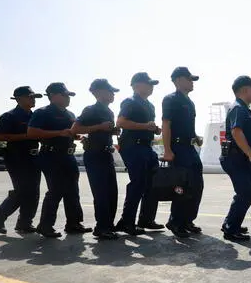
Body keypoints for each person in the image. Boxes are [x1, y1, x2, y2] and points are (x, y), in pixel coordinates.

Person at [28, 83, 91, 238]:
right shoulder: (42, 112)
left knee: (72, 190)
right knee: (56, 190)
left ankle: (74, 223)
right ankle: (45, 225)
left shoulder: (70, 114)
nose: (68, 98)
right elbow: (32, 132)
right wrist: (59, 133)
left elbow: (70, 132)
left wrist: (78, 137)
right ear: (54, 95)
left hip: (67, 155)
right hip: (51, 155)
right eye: (65, 94)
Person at [0, 87, 43, 234]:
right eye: (30, 97)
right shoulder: (10, 116)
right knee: (23, 190)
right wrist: (27, 136)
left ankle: (24, 223)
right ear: (19, 99)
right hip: (17, 157)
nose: (33, 99)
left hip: (33, 157)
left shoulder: (35, 116)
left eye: (34, 97)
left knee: (34, 192)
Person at [71, 79, 120, 240]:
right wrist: (98, 127)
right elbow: (75, 129)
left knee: (112, 192)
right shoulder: (90, 110)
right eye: (109, 91)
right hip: (95, 155)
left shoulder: (109, 111)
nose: (112, 94)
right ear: (98, 92)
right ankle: (102, 227)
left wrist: (112, 131)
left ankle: (108, 225)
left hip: (106, 154)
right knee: (101, 193)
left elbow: (104, 130)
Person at [116, 72, 163, 236]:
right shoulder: (130, 102)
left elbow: (147, 126)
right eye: (148, 83)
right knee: (138, 183)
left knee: (152, 184)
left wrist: (154, 129)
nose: (151, 87)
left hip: (147, 147)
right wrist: (144, 126)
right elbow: (120, 122)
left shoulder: (150, 105)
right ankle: (126, 221)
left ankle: (146, 219)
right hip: (133, 147)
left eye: (152, 84)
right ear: (136, 85)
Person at [162, 67, 204, 238]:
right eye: (189, 79)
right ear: (178, 80)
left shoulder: (190, 102)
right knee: (181, 186)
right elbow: (166, 124)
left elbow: (187, 126)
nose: (192, 82)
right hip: (178, 149)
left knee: (197, 185)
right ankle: (175, 221)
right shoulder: (170, 99)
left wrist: (195, 136)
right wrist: (167, 150)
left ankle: (188, 220)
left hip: (190, 147)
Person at [220, 75, 251, 242]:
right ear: (245, 90)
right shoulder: (238, 108)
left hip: (240, 158)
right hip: (235, 158)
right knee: (246, 191)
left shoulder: (243, 108)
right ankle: (231, 228)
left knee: (248, 190)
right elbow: (236, 132)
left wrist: (250, 155)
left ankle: (231, 223)